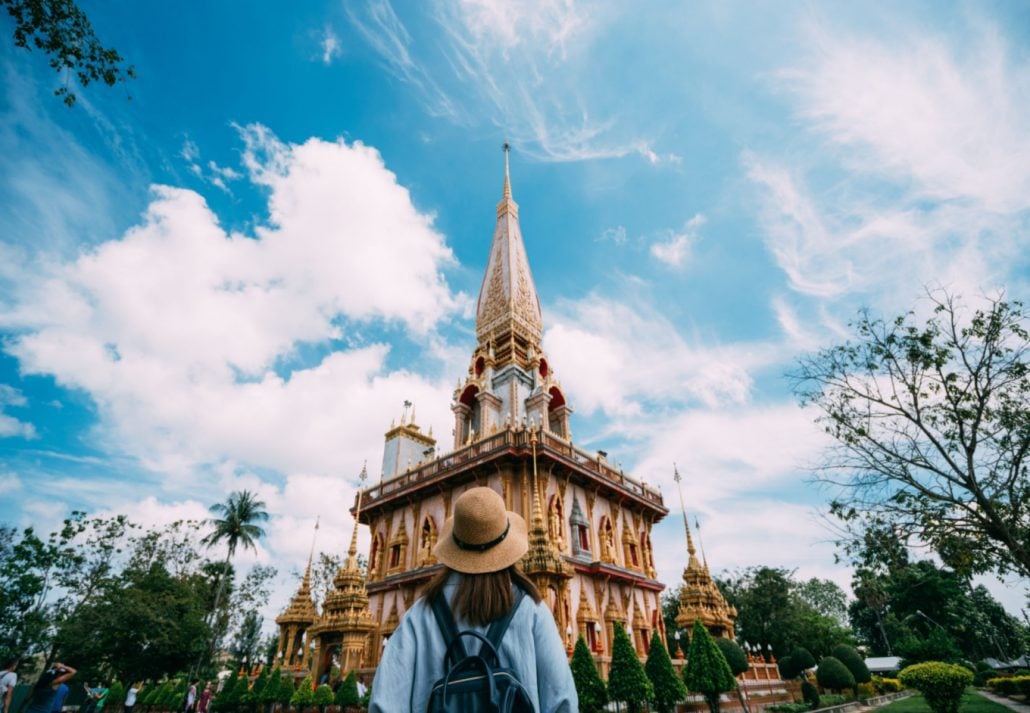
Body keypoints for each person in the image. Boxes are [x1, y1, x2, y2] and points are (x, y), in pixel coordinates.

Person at [369, 487, 577, 712]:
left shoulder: (420, 616)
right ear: (506, 544)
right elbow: (561, 701)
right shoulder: (532, 611)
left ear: (454, 544)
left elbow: (385, 704)